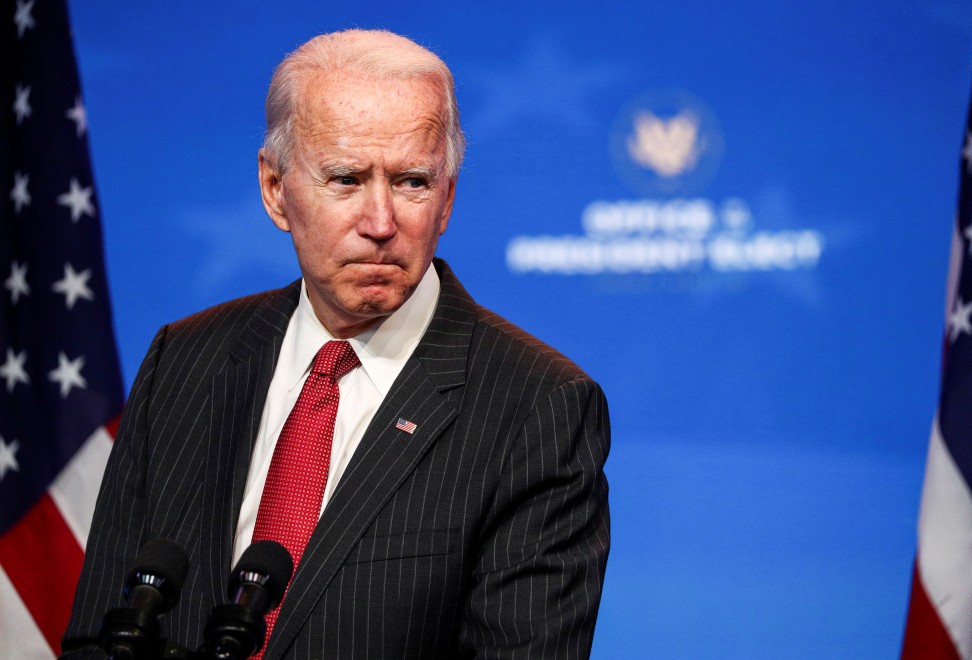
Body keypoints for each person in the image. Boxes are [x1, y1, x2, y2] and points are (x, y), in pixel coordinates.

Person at [62, 29, 610, 659]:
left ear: (448, 197)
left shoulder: (538, 406)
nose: (381, 223)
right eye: (346, 179)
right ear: (275, 190)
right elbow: (97, 639)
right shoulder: (185, 360)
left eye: (412, 182)